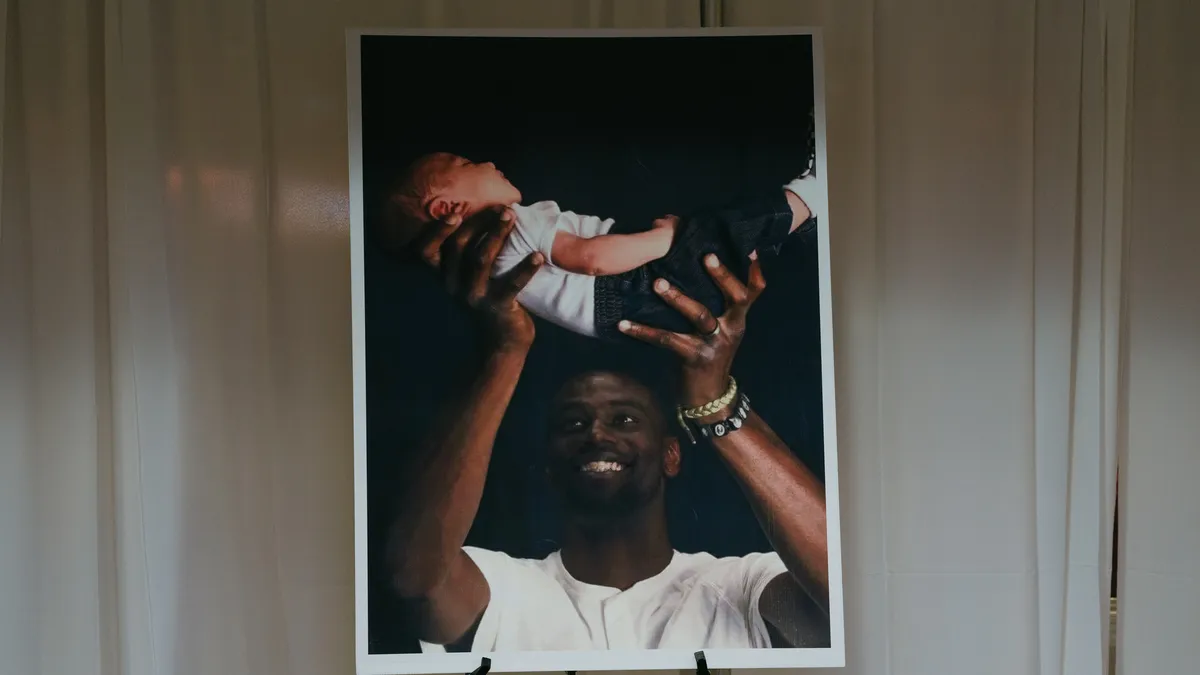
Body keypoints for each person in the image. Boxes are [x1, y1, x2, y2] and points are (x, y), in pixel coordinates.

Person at [384, 207, 830, 652]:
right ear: (547, 466)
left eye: (625, 419)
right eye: (573, 423)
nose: (597, 434)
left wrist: (713, 403)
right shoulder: (503, 589)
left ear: (671, 454)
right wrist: (507, 348)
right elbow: (416, 579)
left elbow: (845, 593)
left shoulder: (744, 587)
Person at [384, 152, 823, 341]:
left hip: (622, 323)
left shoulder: (485, 260)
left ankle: (794, 222)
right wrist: (670, 237)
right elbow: (592, 260)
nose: (487, 162)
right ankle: (809, 195)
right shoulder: (516, 222)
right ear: (447, 206)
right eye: (466, 164)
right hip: (626, 287)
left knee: (724, 244)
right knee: (713, 228)